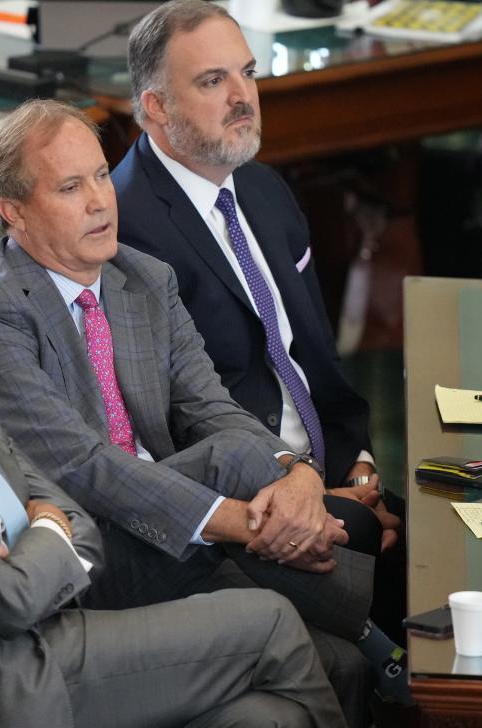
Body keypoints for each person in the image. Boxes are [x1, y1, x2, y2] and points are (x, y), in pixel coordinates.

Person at [0, 215, 346, 728]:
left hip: (41, 633)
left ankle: (378, 643)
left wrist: (31, 533)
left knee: (266, 716)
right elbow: (11, 596)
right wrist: (42, 528)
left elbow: (69, 513)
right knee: (269, 621)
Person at [0, 98, 411, 717]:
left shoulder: (142, 278)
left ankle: (376, 650)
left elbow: (215, 409)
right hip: (89, 557)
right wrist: (245, 522)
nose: (100, 199)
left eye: (99, 174)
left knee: (334, 668)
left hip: (179, 536)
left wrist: (297, 474)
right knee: (246, 472)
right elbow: (86, 468)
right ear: (13, 212)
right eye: (69, 187)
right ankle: (392, 645)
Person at [110, 0, 406, 644]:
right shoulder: (124, 228)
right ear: (156, 106)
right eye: (214, 81)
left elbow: (314, 360)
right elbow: (172, 420)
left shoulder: (265, 189)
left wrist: (357, 468)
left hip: (325, 469)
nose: (244, 96)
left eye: (247, 73)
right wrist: (311, 497)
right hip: (249, 498)